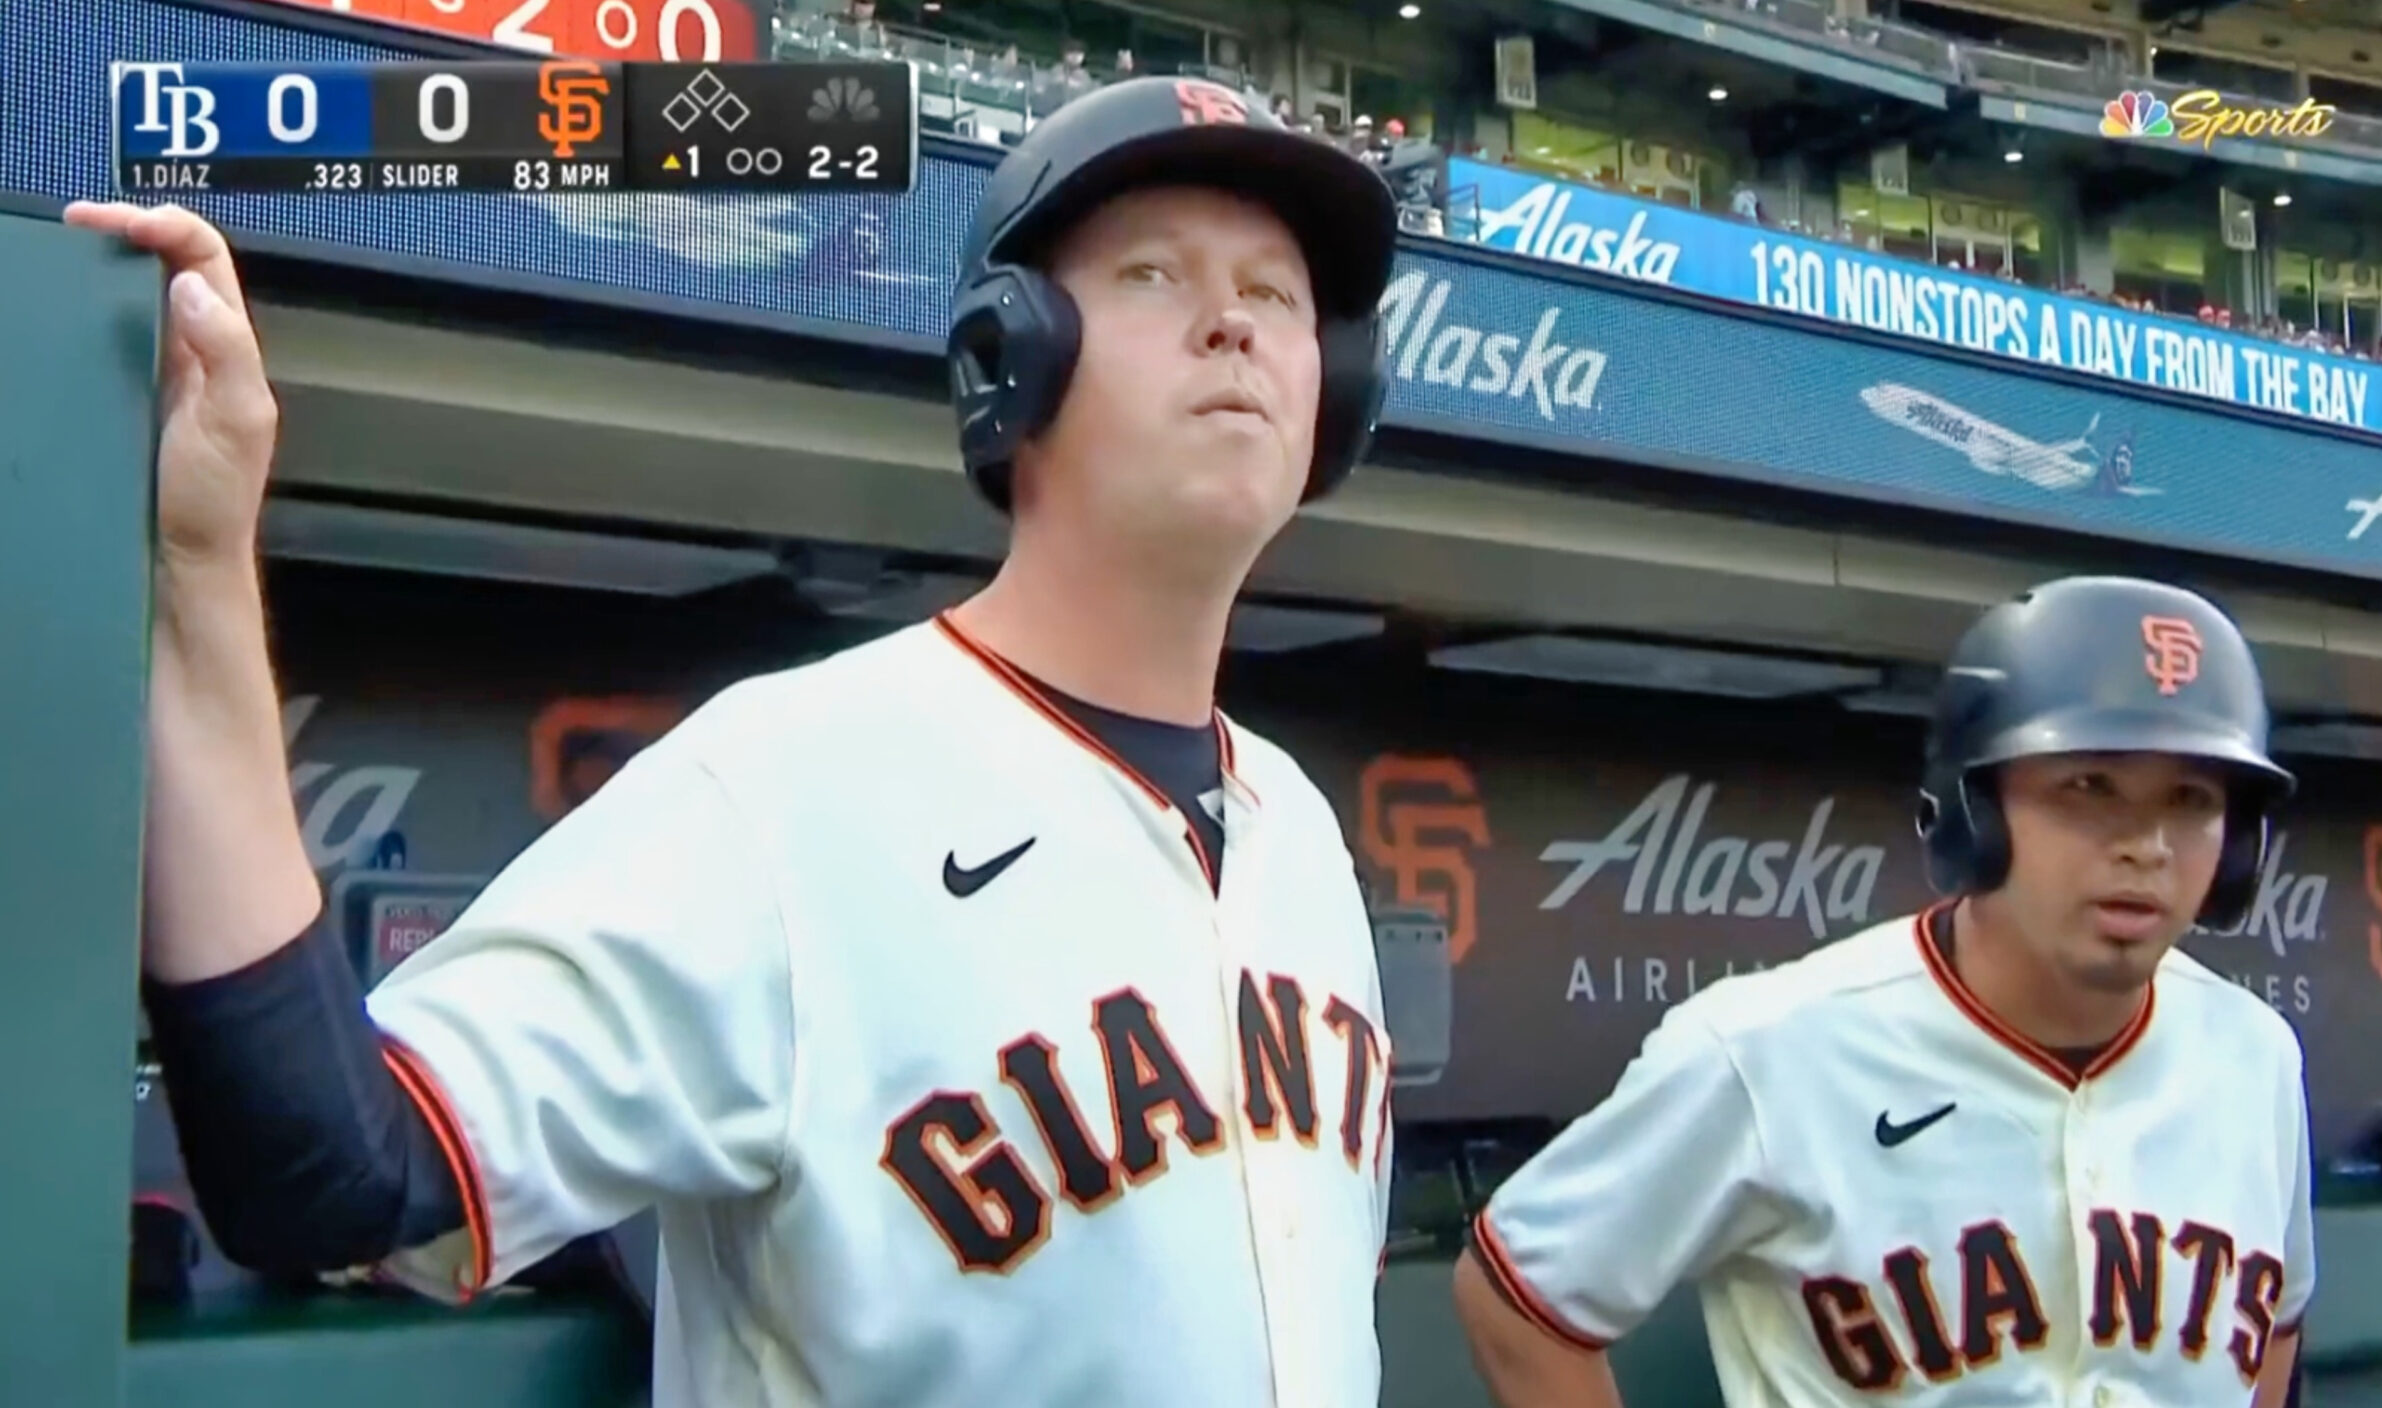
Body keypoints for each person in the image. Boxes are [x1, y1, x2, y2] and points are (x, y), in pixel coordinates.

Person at [72, 74, 1403, 1407]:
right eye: (1157, 276)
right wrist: (196, 567)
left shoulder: (1303, 844)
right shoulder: (788, 786)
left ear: (1331, 391)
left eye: (1275, 294)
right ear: (1016, 355)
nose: (1232, 323)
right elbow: (327, 1175)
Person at [1453, 576, 2315, 1408]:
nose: (2147, 844)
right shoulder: (1768, 1049)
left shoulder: (2255, 1054)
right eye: (2090, 787)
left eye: (2191, 798)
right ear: (1976, 813)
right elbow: (1520, 1298)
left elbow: (2273, 1331)